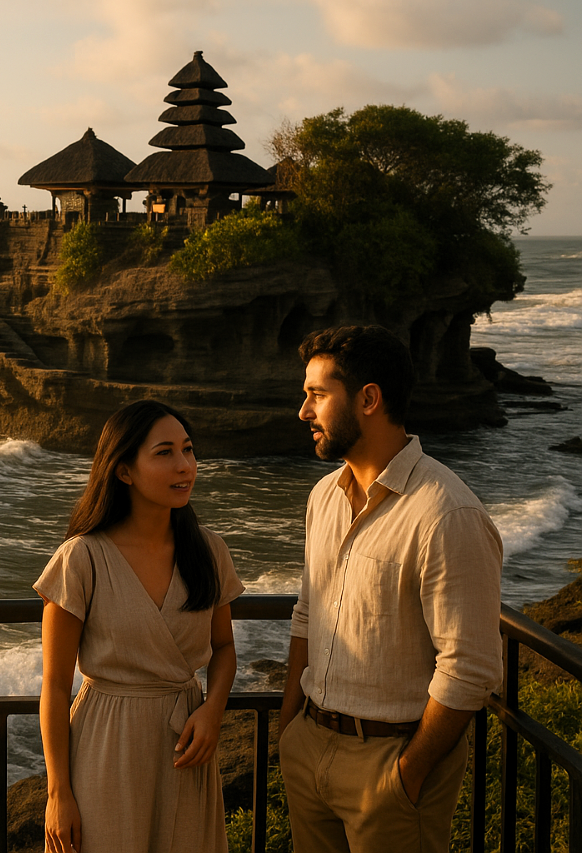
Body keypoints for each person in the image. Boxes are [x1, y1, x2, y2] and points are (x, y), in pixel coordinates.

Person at [278, 325, 503, 853]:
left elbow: (469, 667)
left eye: (316, 395)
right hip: (310, 745)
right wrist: (292, 728)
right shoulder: (323, 498)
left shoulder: (446, 512)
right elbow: (308, 615)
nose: (302, 412)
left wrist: (406, 774)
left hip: (391, 762)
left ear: (369, 399)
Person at [36, 400, 243, 853]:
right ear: (124, 471)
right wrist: (58, 793)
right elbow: (54, 687)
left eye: (188, 451)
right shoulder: (82, 558)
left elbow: (224, 648)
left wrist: (212, 711)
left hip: (184, 749)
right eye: (164, 453)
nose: (185, 466)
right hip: (105, 745)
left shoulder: (208, 551)